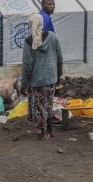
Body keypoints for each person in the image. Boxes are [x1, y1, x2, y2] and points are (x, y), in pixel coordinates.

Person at [20, 13, 62, 141]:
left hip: (36, 80)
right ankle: (50, 129)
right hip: (51, 78)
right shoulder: (52, 37)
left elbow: (27, 65)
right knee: (48, 104)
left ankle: (43, 132)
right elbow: (59, 57)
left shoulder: (29, 42)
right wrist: (59, 75)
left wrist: (24, 83)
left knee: (39, 106)